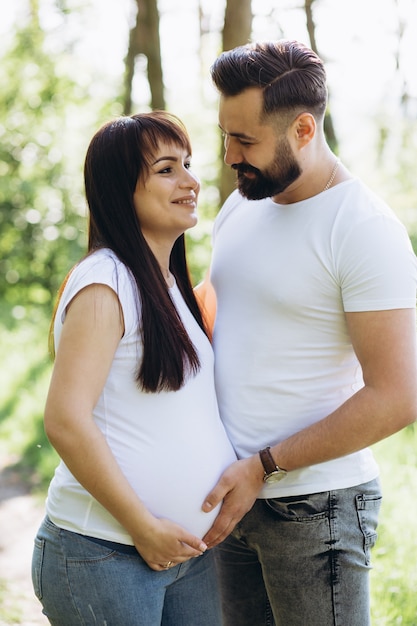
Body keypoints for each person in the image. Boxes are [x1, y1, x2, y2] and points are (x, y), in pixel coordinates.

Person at [198, 40, 417, 626]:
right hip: (229, 500)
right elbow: (219, 319)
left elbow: (397, 396)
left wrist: (263, 465)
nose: (228, 156)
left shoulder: (364, 230)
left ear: (301, 128)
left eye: (244, 141)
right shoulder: (243, 205)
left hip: (315, 509)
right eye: (226, 134)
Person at [31, 111, 236, 626]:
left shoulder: (168, 287)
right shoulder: (106, 281)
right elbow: (65, 420)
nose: (190, 181)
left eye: (187, 164)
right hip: (107, 554)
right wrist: (143, 526)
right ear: (122, 189)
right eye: (167, 169)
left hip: (186, 556)